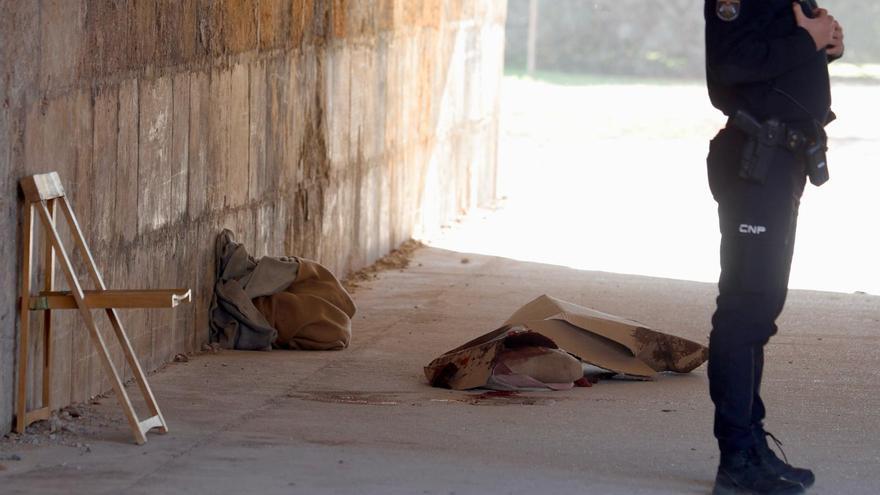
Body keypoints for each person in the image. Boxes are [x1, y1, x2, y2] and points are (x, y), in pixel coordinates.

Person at [704, 1, 844, 494]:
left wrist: (823, 49)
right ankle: (736, 458)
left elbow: (771, 72)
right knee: (745, 309)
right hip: (754, 162)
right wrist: (806, 40)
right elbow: (731, 64)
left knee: (760, 310)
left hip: (782, 161)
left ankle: (751, 445)